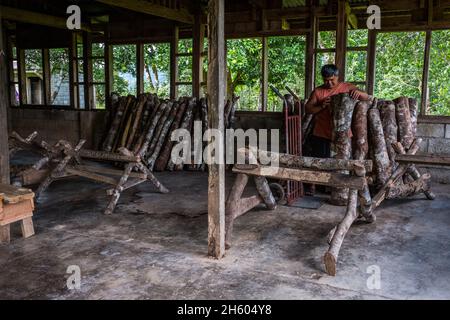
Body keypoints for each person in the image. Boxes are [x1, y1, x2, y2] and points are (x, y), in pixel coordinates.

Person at [305, 64, 370, 159]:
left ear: (337, 77)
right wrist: (321, 106)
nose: (329, 83)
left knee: (343, 165)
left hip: (343, 135)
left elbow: (367, 97)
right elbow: (308, 109)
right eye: (326, 80)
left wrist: (359, 93)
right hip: (322, 134)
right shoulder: (318, 91)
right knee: (321, 164)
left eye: (332, 80)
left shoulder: (347, 87)